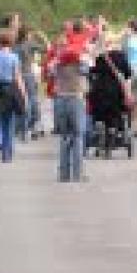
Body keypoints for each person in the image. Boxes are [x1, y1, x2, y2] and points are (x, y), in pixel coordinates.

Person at [51, 32, 91, 182]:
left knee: (65, 137)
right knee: (78, 136)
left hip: (61, 99)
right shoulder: (80, 65)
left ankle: (64, 174)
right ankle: (78, 174)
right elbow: (87, 69)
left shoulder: (57, 65)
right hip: (76, 99)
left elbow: (51, 71)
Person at [0, 29, 27, 163]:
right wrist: (23, 93)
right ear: (11, 42)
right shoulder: (14, 57)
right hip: (9, 89)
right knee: (8, 121)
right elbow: (17, 77)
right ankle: (6, 154)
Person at [88, 32, 133, 156]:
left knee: (100, 113)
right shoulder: (121, 57)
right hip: (116, 90)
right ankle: (113, 132)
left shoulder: (101, 58)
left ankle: (101, 133)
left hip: (100, 90)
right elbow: (128, 73)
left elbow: (93, 71)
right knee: (116, 113)